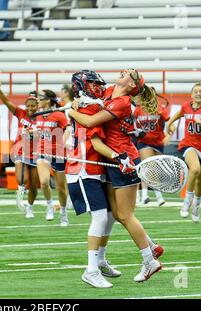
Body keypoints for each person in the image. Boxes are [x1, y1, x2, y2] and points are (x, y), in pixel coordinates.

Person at [68, 69, 164, 283]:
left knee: (125, 215)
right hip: (112, 162)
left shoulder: (121, 101)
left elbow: (91, 122)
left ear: (132, 85)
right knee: (116, 214)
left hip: (124, 159)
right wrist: (78, 102)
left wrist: (72, 113)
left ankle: (150, 260)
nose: (123, 72)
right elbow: (92, 99)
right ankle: (151, 247)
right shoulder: (110, 91)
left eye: (128, 73)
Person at [66, 70, 121, 288]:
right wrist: (119, 157)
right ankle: (91, 270)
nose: (98, 87)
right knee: (99, 217)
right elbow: (96, 144)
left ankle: (100, 260)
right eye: (93, 84)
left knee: (109, 217)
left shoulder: (89, 106)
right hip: (83, 168)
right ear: (81, 85)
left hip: (94, 167)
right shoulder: (88, 108)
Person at [166, 83, 201, 223]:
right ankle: (187, 201)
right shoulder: (186, 105)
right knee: (195, 169)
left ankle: (196, 205)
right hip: (188, 144)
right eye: (195, 91)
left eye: (200, 91)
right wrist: (169, 124)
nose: (198, 93)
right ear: (191, 94)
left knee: (200, 180)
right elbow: (179, 113)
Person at [0, 76, 40, 218]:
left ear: (38, 105)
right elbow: (6, 102)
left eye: (34, 105)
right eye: (29, 105)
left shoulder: (44, 117)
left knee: (33, 184)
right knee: (23, 179)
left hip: (36, 152)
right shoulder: (21, 113)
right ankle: (20, 191)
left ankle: (30, 207)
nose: (31, 108)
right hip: (20, 150)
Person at [34, 89, 71, 226]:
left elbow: (68, 128)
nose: (37, 100)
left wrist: (64, 139)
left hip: (58, 153)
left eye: (40, 98)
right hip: (42, 152)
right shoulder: (38, 116)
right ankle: (49, 205)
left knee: (61, 188)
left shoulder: (58, 115)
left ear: (48, 100)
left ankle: (63, 212)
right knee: (44, 182)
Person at [133, 88, 174, 206]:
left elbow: (171, 124)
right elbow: (130, 124)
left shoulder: (160, 109)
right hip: (143, 141)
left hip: (158, 141)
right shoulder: (138, 110)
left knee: (156, 169)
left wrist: (169, 136)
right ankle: (147, 195)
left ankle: (155, 195)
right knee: (147, 165)